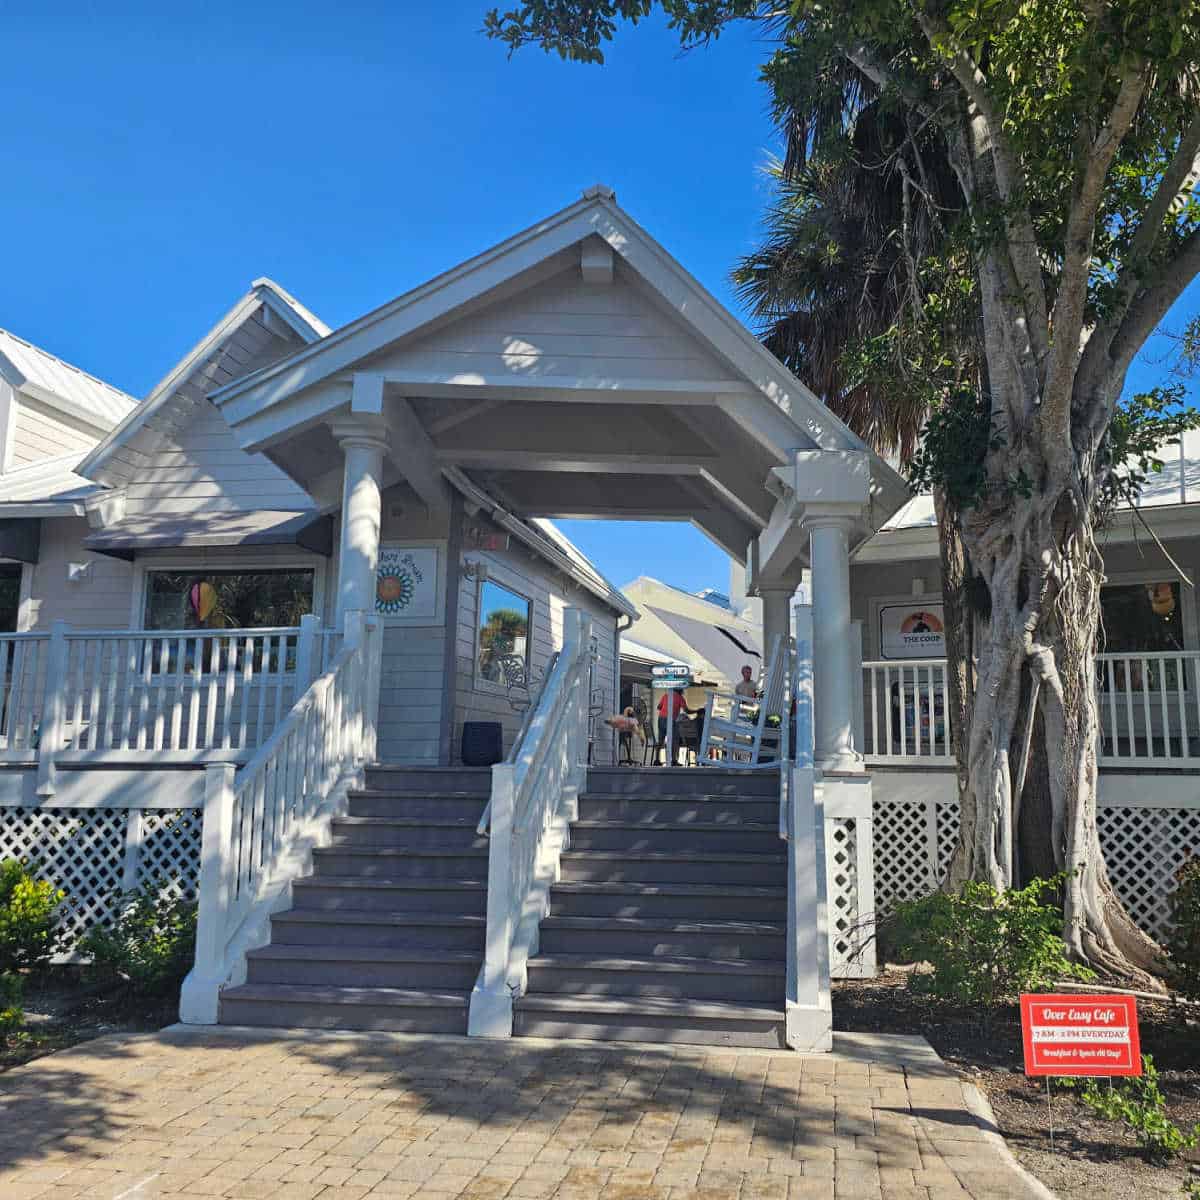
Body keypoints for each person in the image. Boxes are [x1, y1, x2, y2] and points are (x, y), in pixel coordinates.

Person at [657, 687, 687, 764]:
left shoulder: (666, 695)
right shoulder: (680, 698)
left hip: (661, 718)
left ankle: (657, 759)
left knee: (661, 739)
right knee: (675, 739)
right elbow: (686, 710)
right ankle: (673, 760)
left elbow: (659, 707)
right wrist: (696, 710)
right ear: (680, 690)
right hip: (671, 719)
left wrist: (666, 708)